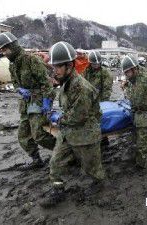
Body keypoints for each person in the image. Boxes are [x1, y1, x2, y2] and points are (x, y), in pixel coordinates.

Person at [40, 41, 106, 208]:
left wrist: (57, 118)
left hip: (85, 133)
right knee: (55, 162)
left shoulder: (82, 88)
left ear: (69, 65)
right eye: (53, 66)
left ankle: (98, 183)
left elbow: (77, 116)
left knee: (92, 168)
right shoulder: (66, 83)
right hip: (68, 132)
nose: (54, 70)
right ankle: (58, 190)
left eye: (57, 67)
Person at [0, 32, 56, 169]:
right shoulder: (13, 65)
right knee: (23, 135)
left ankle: (66, 151)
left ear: (13, 46)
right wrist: (20, 89)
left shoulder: (31, 60)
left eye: (5, 49)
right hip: (26, 101)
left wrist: (47, 102)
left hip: (40, 99)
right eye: (2, 50)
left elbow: (47, 84)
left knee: (39, 135)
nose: (4, 53)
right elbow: (15, 82)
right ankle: (36, 160)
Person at [82, 50, 113, 147]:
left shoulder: (105, 73)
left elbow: (107, 90)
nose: (96, 65)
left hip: (100, 101)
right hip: (88, 101)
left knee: (99, 121)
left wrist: (103, 103)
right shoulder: (86, 72)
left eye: (98, 63)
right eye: (94, 64)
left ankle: (104, 140)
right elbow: (82, 84)